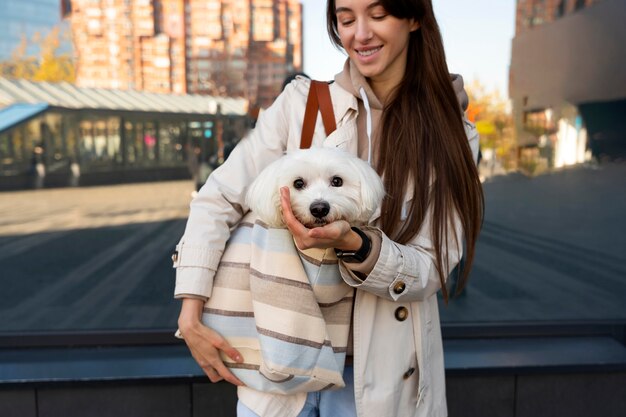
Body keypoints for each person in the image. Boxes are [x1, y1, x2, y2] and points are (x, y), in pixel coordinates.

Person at [172, 1, 484, 416]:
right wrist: (190, 313)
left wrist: (358, 246)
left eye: (378, 14)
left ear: (413, 17)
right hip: (279, 371)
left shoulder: (453, 136)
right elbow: (219, 197)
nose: (360, 34)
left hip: (377, 381)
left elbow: (432, 266)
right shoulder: (301, 104)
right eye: (346, 18)